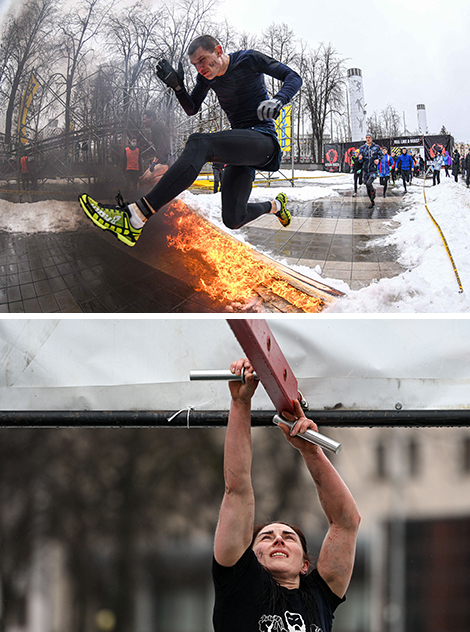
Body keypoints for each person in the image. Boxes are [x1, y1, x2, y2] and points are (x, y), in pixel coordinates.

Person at [79, 35, 302, 247]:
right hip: (240, 148)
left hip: (262, 139)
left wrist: (279, 99)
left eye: (203, 60)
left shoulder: (249, 59)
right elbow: (192, 108)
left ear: (219, 51)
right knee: (233, 218)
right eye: (195, 65)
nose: (200, 68)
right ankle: (275, 206)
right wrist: (177, 87)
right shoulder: (205, 78)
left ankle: (136, 215)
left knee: (199, 142)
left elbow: (294, 77)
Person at [212, 357, 361, 632]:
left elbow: (346, 521)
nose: (278, 539)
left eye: (288, 537)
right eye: (266, 538)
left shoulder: (320, 598)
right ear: (251, 556)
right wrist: (240, 403)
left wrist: (311, 450)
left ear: (305, 565)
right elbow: (237, 489)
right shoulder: (239, 583)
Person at [138, 110, 171, 191]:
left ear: (151, 119)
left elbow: (162, 145)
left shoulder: (155, 128)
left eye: (145, 119)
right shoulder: (157, 127)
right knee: (142, 179)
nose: (143, 121)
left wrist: (154, 161)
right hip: (164, 159)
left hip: (164, 160)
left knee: (144, 181)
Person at [358, 134, 383, 208]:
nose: (368, 139)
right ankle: (372, 201)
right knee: (367, 185)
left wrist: (378, 159)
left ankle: (373, 191)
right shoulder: (362, 148)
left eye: (369, 138)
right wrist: (360, 158)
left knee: (369, 183)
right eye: (366, 138)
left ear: (372, 139)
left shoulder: (376, 147)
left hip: (373, 169)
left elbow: (381, 155)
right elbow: (360, 161)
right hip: (365, 170)